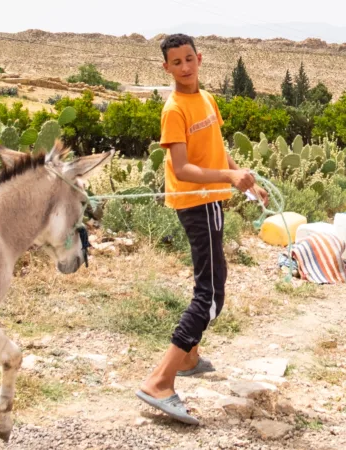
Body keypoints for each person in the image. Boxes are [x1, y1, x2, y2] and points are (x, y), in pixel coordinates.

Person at [135, 33, 269, 425]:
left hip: (212, 199)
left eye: (189, 58)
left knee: (215, 282)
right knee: (209, 294)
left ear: (200, 58)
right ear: (166, 68)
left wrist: (247, 181)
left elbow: (216, 145)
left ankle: (189, 357)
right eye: (175, 62)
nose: (185, 67)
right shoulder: (174, 109)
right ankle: (160, 380)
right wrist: (228, 176)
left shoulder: (206, 99)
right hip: (198, 202)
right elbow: (182, 169)